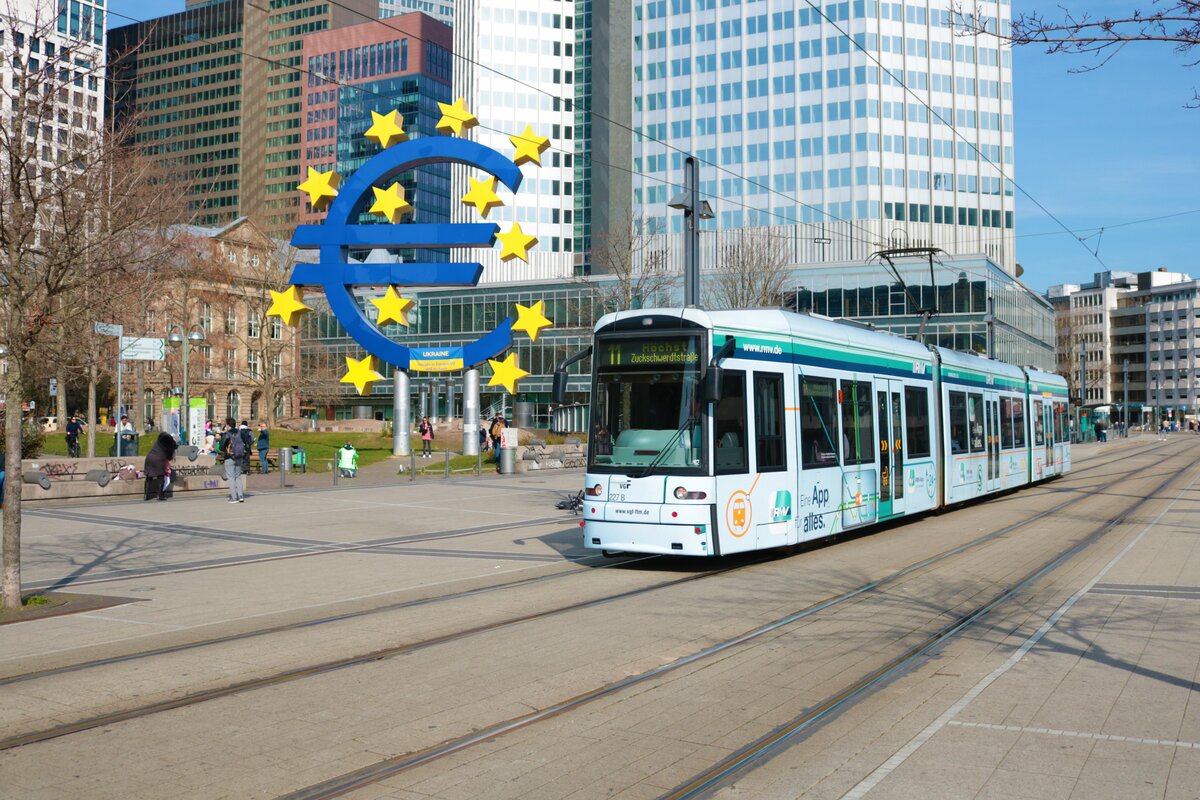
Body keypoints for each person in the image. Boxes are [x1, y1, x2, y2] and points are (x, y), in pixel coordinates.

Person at [220, 416, 253, 503]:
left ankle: (234, 497)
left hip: (230, 457)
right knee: (238, 476)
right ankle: (241, 496)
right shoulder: (240, 432)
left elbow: (221, 446)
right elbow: (248, 442)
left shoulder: (227, 434)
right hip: (239, 456)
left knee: (231, 477)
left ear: (227, 425)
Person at [143, 432, 178, 501]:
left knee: (148, 476)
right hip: (159, 459)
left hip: (149, 458)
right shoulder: (170, 445)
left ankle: (146, 495)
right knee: (161, 477)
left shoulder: (160, 440)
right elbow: (169, 457)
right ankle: (160, 495)